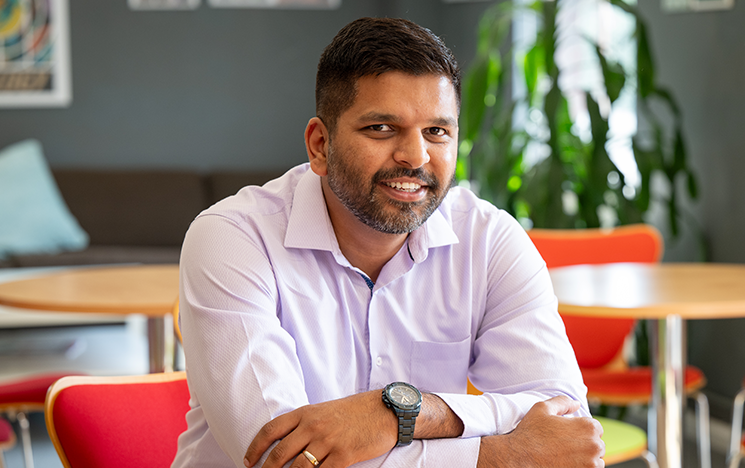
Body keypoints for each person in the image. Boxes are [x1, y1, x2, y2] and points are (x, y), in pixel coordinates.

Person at [172, 17, 604, 468]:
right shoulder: (233, 238)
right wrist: (501, 456)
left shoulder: (489, 240)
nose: (416, 156)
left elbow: (565, 421)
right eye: (381, 128)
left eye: (437, 132)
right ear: (320, 145)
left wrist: (404, 413)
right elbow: (284, 459)